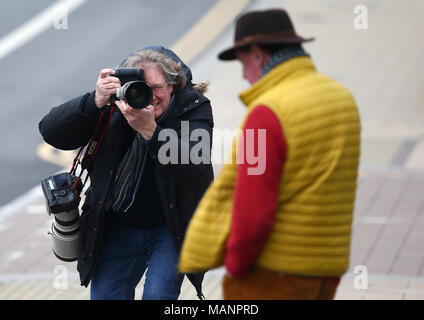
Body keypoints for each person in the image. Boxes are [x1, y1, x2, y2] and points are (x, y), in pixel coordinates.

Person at [179, 9, 361, 300]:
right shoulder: (340, 98)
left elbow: (253, 211)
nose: (243, 75)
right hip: (326, 270)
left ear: (257, 55)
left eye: (241, 64)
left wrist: (236, 267)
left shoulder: (266, 113)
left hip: (272, 274)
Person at [39, 46, 214, 300]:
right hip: (118, 224)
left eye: (155, 88)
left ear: (172, 85)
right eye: (138, 88)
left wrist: (152, 133)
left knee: (159, 296)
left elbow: (195, 164)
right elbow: (50, 131)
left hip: (170, 226)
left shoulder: (192, 107)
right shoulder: (114, 106)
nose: (148, 97)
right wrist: (95, 100)